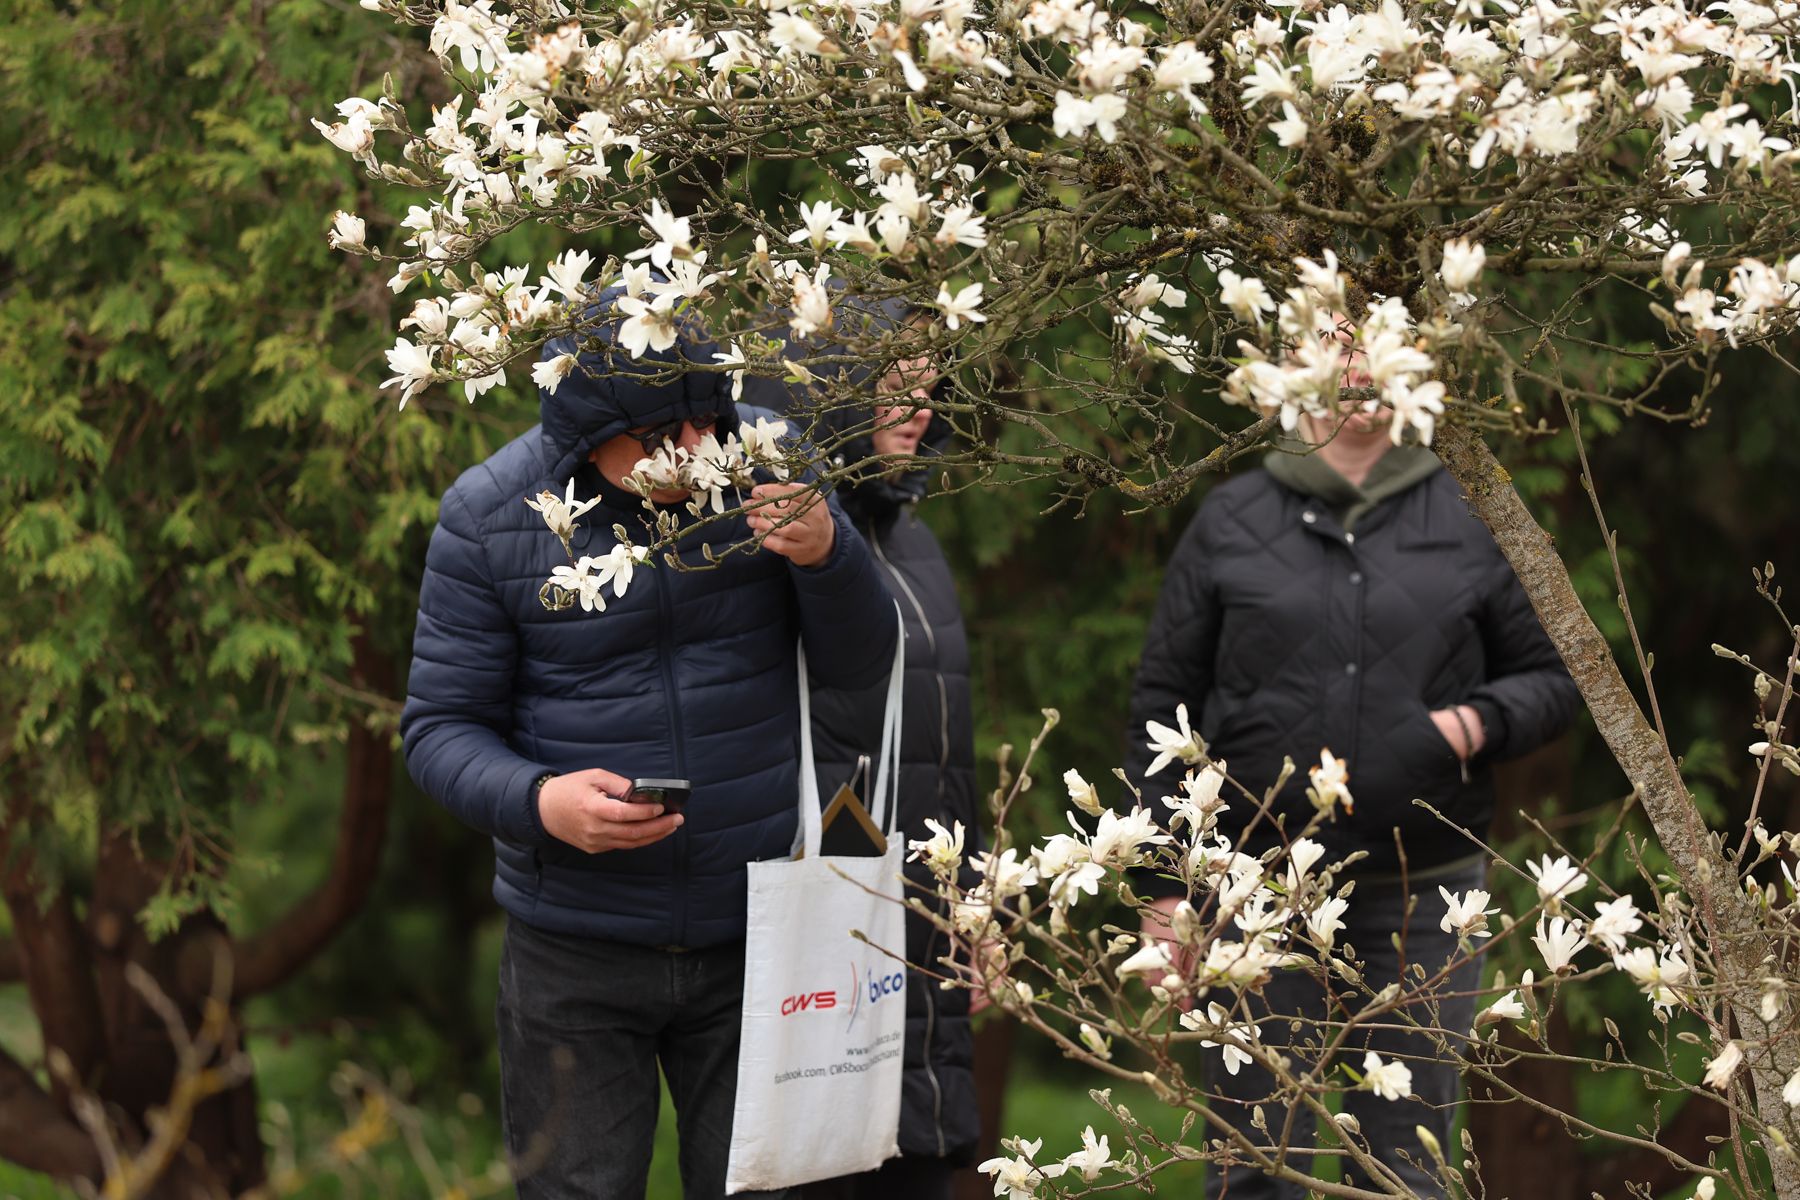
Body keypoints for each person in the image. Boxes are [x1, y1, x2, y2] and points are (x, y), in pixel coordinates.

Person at [400, 291, 898, 1200]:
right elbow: (438, 730)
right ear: (588, 437)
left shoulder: (769, 460)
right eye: (664, 436)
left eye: (709, 423)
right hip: (574, 943)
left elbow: (862, 666)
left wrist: (827, 554)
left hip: (756, 930)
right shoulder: (490, 515)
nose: (697, 453)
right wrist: (540, 803)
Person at [1124, 373, 1582, 1199]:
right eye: (1336, 338)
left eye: (1376, 336)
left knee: (1407, 1171)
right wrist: (1166, 885)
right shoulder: (1232, 518)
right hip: (1255, 894)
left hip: (1423, 896)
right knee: (1254, 1165)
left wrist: (1466, 726)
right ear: (1295, 358)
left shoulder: (1472, 513)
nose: (1358, 367)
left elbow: (1555, 678)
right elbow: (1163, 701)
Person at [786, 342, 983, 1200]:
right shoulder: (783, 542)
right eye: (894, 388)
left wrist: (975, 895)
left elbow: (948, 741)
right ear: (835, 393)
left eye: (929, 390)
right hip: (825, 925)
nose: (920, 410)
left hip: (925, 919)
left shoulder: (917, 542)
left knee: (921, 1158)